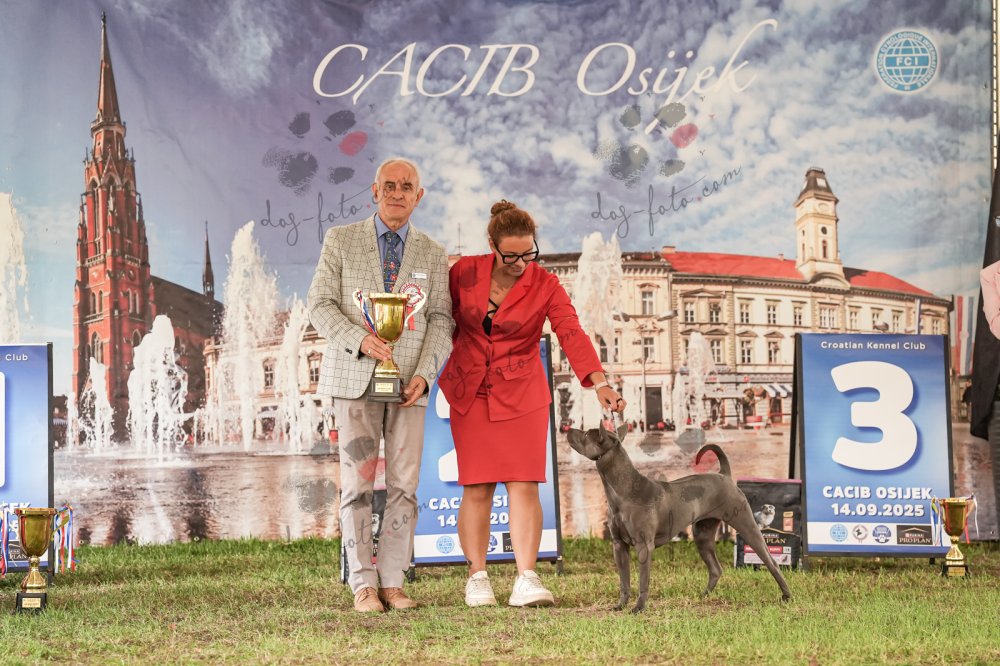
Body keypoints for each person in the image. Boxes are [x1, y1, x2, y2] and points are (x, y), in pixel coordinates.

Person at [438, 200, 626, 608]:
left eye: (529, 253)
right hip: (470, 390)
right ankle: (477, 578)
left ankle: (526, 577)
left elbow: (570, 331)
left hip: (522, 392)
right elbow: (438, 321)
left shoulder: (546, 284)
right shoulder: (463, 272)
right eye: (511, 255)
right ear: (492, 245)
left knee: (524, 483)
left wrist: (598, 382)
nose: (521, 263)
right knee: (477, 485)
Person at [307, 157, 453, 613]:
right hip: (354, 379)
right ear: (374, 191)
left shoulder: (433, 252)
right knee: (357, 486)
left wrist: (425, 375)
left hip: (410, 386)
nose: (397, 193)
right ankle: (362, 584)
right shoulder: (341, 240)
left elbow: (441, 320)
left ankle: (393, 580)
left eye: (406, 186)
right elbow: (319, 304)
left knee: (406, 486)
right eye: (389, 185)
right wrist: (361, 340)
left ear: (418, 196)